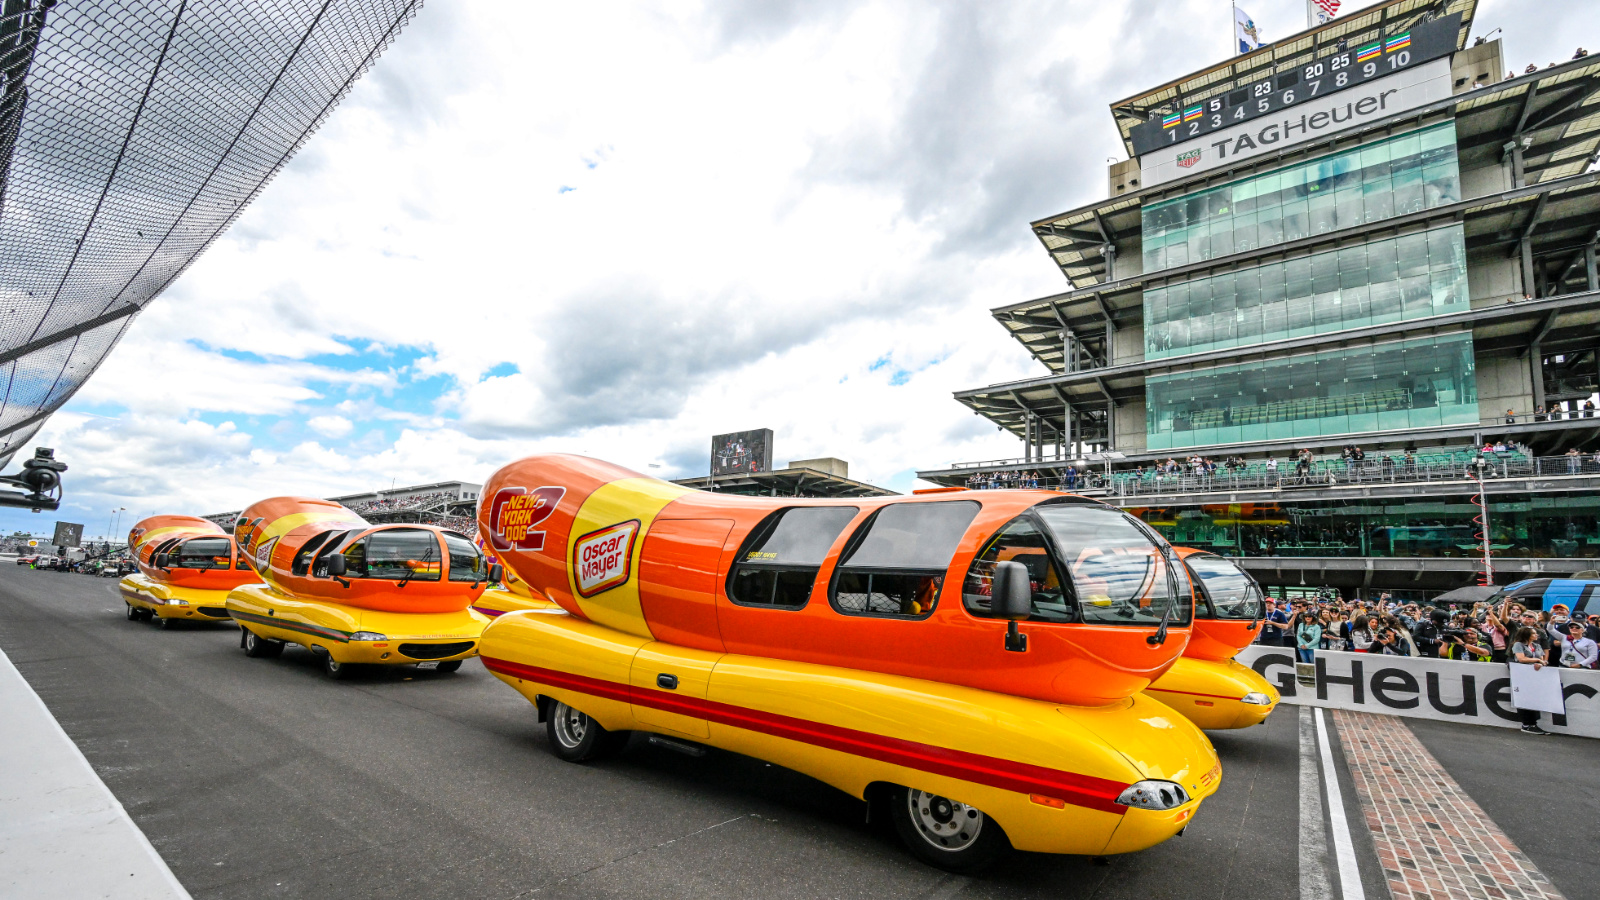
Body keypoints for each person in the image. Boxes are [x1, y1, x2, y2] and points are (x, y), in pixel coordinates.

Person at [1511, 628, 1552, 735]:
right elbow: (1521, 659)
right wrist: (1537, 660)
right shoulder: (1518, 645)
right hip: (1522, 675)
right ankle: (1526, 724)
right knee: (1524, 698)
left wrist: (1541, 663)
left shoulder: (1537, 646)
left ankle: (1533, 723)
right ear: (1526, 635)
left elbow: (1543, 660)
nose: (1536, 635)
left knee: (1534, 699)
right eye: (1533, 633)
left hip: (1536, 676)